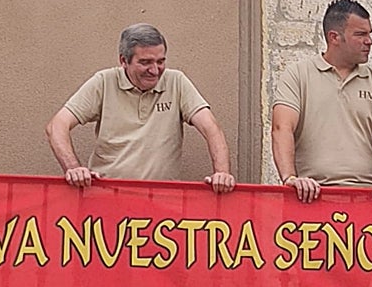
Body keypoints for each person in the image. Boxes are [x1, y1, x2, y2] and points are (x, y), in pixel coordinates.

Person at [46, 23, 235, 192]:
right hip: (106, 200)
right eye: (145, 62)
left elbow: (211, 128)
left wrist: (222, 174)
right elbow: (57, 126)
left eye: (160, 61)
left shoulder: (176, 81)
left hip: (161, 203)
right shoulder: (104, 82)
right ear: (123, 61)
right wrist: (73, 168)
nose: (154, 70)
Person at [271, 0, 372, 203]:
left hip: (368, 199)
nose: (370, 41)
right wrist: (290, 179)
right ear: (334, 37)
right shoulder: (298, 75)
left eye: (369, 34)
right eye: (360, 34)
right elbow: (281, 128)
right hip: (310, 197)